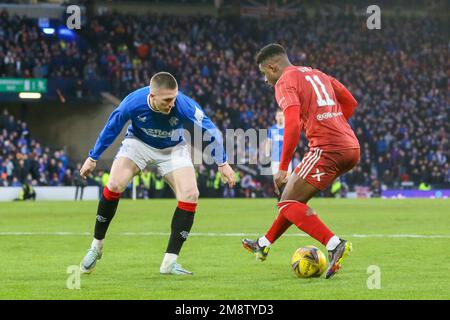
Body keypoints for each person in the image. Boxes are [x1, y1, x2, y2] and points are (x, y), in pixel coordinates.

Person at [79, 72, 235, 275]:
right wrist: (93, 157)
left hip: (173, 148)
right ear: (152, 96)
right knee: (115, 184)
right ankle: (96, 247)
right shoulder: (132, 103)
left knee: (190, 194)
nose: (172, 103)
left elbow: (210, 129)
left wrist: (222, 162)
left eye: (174, 97)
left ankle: (169, 263)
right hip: (138, 144)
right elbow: (112, 127)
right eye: (167, 99)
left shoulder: (183, 104)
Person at [242, 44, 360, 279]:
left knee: (286, 203)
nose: (266, 80)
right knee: (292, 201)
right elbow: (350, 103)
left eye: (265, 73)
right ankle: (264, 243)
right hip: (351, 146)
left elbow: (293, 124)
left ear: (273, 67)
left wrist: (283, 168)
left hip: (327, 149)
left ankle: (334, 243)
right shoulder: (318, 74)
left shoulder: (285, 82)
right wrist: (334, 125)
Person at [265, 110, 292, 197]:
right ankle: (279, 197)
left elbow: (293, 143)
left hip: (286, 159)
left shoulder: (288, 129)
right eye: (278, 116)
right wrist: (267, 155)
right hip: (275, 159)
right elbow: (268, 143)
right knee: (276, 180)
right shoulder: (272, 130)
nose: (280, 117)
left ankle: (286, 197)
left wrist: (291, 152)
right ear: (276, 117)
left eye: (282, 115)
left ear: (284, 117)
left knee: (288, 179)